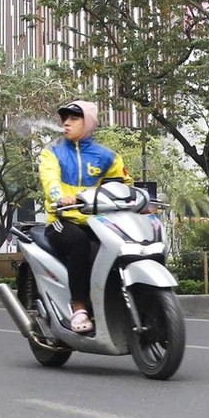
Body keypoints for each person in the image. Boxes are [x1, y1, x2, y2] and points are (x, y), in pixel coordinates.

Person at [39, 99, 128, 334]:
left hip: (99, 222)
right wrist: (61, 198)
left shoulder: (108, 156)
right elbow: (50, 180)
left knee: (121, 246)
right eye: (64, 119)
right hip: (62, 220)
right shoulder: (53, 152)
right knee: (78, 242)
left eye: (74, 118)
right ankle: (79, 306)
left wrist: (142, 202)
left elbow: (123, 186)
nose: (66, 123)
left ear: (88, 122)